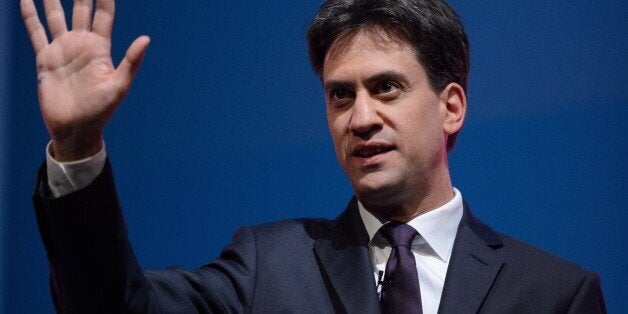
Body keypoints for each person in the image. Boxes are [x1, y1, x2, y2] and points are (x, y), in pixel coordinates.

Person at [22, 0, 606, 313]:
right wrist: (78, 147)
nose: (360, 117)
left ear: (451, 106)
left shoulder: (554, 293)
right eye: (340, 95)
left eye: (387, 88)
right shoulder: (267, 268)